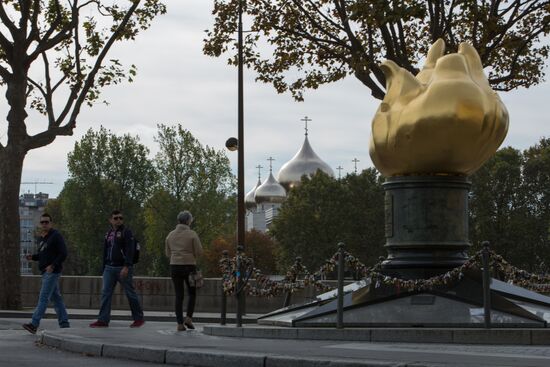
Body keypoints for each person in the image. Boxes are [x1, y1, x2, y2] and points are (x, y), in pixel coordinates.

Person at [89, 210, 144, 328]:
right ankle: (103, 320)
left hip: (122, 268)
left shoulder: (126, 232)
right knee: (105, 294)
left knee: (130, 293)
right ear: (110, 220)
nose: (118, 220)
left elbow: (130, 250)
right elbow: (105, 251)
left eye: (120, 218)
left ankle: (138, 318)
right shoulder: (108, 233)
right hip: (109, 268)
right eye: (115, 218)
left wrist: (127, 266)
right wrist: (103, 267)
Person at [23, 213, 70, 334]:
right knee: (56, 299)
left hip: (52, 272)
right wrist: (32, 257)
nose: (44, 224)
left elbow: (63, 253)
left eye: (47, 222)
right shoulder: (41, 238)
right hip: (44, 271)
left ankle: (34, 324)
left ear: (51, 223)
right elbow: (42, 256)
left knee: (43, 298)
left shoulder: (56, 236)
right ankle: (64, 324)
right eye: (42, 222)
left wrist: (53, 265)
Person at [165, 210, 203, 331]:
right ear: (188, 221)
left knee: (179, 295)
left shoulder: (170, 235)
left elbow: (167, 253)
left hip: (175, 266)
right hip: (189, 266)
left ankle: (179, 324)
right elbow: (199, 251)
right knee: (192, 293)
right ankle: (189, 318)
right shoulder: (192, 234)